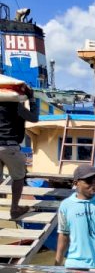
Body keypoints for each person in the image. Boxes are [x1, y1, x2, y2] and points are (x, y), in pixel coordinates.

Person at [0, 83, 38, 220]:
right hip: (10, 146)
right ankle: (15, 208)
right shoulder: (16, 107)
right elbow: (34, 118)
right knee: (19, 177)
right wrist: (31, 99)